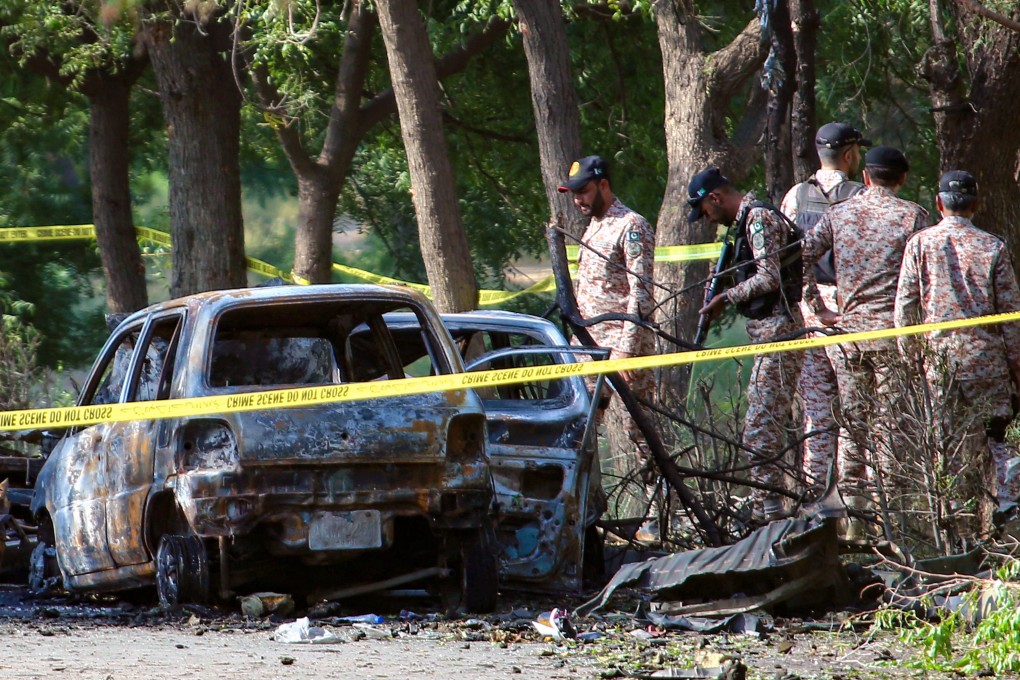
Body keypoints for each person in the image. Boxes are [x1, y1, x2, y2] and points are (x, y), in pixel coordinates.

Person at [800, 145, 928, 524]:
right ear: (902, 179)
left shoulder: (839, 215)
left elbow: (802, 255)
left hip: (849, 336)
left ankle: (852, 518)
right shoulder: (913, 216)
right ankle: (893, 520)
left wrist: (816, 305)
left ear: (866, 177)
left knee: (853, 426)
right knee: (891, 428)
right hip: (894, 338)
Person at [895, 170, 1020, 539]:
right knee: (999, 440)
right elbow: (1011, 316)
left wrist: (911, 359)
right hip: (987, 361)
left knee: (946, 444)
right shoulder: (992, 246)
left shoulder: (920, 244)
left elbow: (905, 309)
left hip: (940, 362)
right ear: (976, 204)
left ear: (939, 204)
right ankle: (1008, 512)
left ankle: (954, 526)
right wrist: (1016, 369)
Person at [693, 167, 805, 521]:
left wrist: (727, 296)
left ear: (716, 197)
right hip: (767, 332)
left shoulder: (758, 219)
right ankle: (768, 505)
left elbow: (769, 277)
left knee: (759, 425)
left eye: (706, 211)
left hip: (779, 332)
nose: (709, 219)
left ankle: (769, 510)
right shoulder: (744, 225)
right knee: (766, 422)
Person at [557, 155, 658, 524]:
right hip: (587, 348)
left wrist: (627, 351)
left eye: (583, 191)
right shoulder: (593, 227)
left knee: (640, 431)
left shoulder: (631, 226)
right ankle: (582, 514)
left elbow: (641, 293)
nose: (577, 200)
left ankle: (659, 516)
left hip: (624, 345)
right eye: (572, 193)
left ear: (603, 185)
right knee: (580, 429)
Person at [780, 123, 869, 493]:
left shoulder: (795, 197)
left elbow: (788, 257)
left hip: (807, 310)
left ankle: (816, 498)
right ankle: (855, 500)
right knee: (856, 410)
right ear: (849, 156)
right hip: (850, 308)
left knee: (817, 413)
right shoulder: (863, 197)